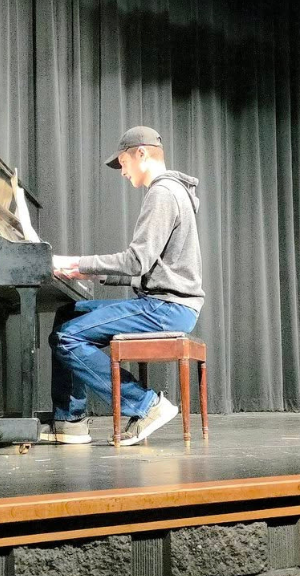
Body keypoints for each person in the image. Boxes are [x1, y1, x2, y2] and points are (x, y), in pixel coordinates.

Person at [40, 126, 204, 446]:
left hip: (167, 308)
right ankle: (69, 421)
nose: (122, 172)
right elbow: (150, 269)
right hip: (165, 304)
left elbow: (136, 262)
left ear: (140, 153)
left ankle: (147, 405)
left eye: (122, 163)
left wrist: (76, 263)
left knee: (68, 337)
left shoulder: (163, 192)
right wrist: (91, 274)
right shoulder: (170, 192)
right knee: (67, 316)